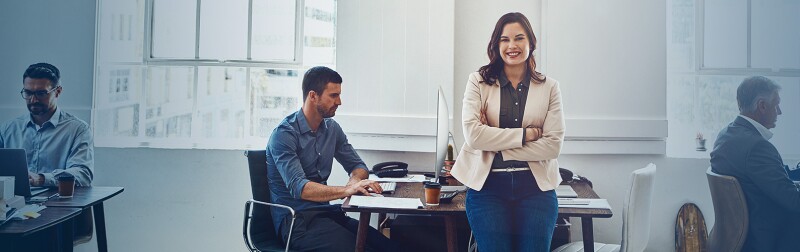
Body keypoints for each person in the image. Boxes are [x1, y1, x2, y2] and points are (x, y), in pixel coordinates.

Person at [451, 12, 565, 252]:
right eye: (505, 39)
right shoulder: (478, 82)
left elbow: (553, 146)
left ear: (531, 43)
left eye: (519, 38)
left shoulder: (550, 88)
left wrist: (496, 143)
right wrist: (527, 135)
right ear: (496, 44)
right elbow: (474, 136)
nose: (512, 45)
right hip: (487, 189)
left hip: (536, 188)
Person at [266, 66, 397, 252]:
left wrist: (355, 181)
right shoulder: (284, 135)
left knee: (388, 247)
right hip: (297, 222)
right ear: (313, 96)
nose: (340, 101)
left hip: (326, 213)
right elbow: (300, 188)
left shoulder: (332, 128)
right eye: (333, 95)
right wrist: (347, 190)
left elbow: (358, 165)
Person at [710, 76, 800, 251]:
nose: (779, 112)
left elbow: (763, 175)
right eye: (776, 105)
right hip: (768, 237)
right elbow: (794, 201)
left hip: (739, 234)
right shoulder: (757, 147)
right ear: (762, 106)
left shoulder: (726, 135)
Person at [0, 62, 94, 186]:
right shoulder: (9, 129)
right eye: (28, 93)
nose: (33, 100)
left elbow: (83, 174)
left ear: (58, 91)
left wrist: (42, 179)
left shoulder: (78, 129)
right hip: (15, 202)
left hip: (60, 202)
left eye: (41, 93)